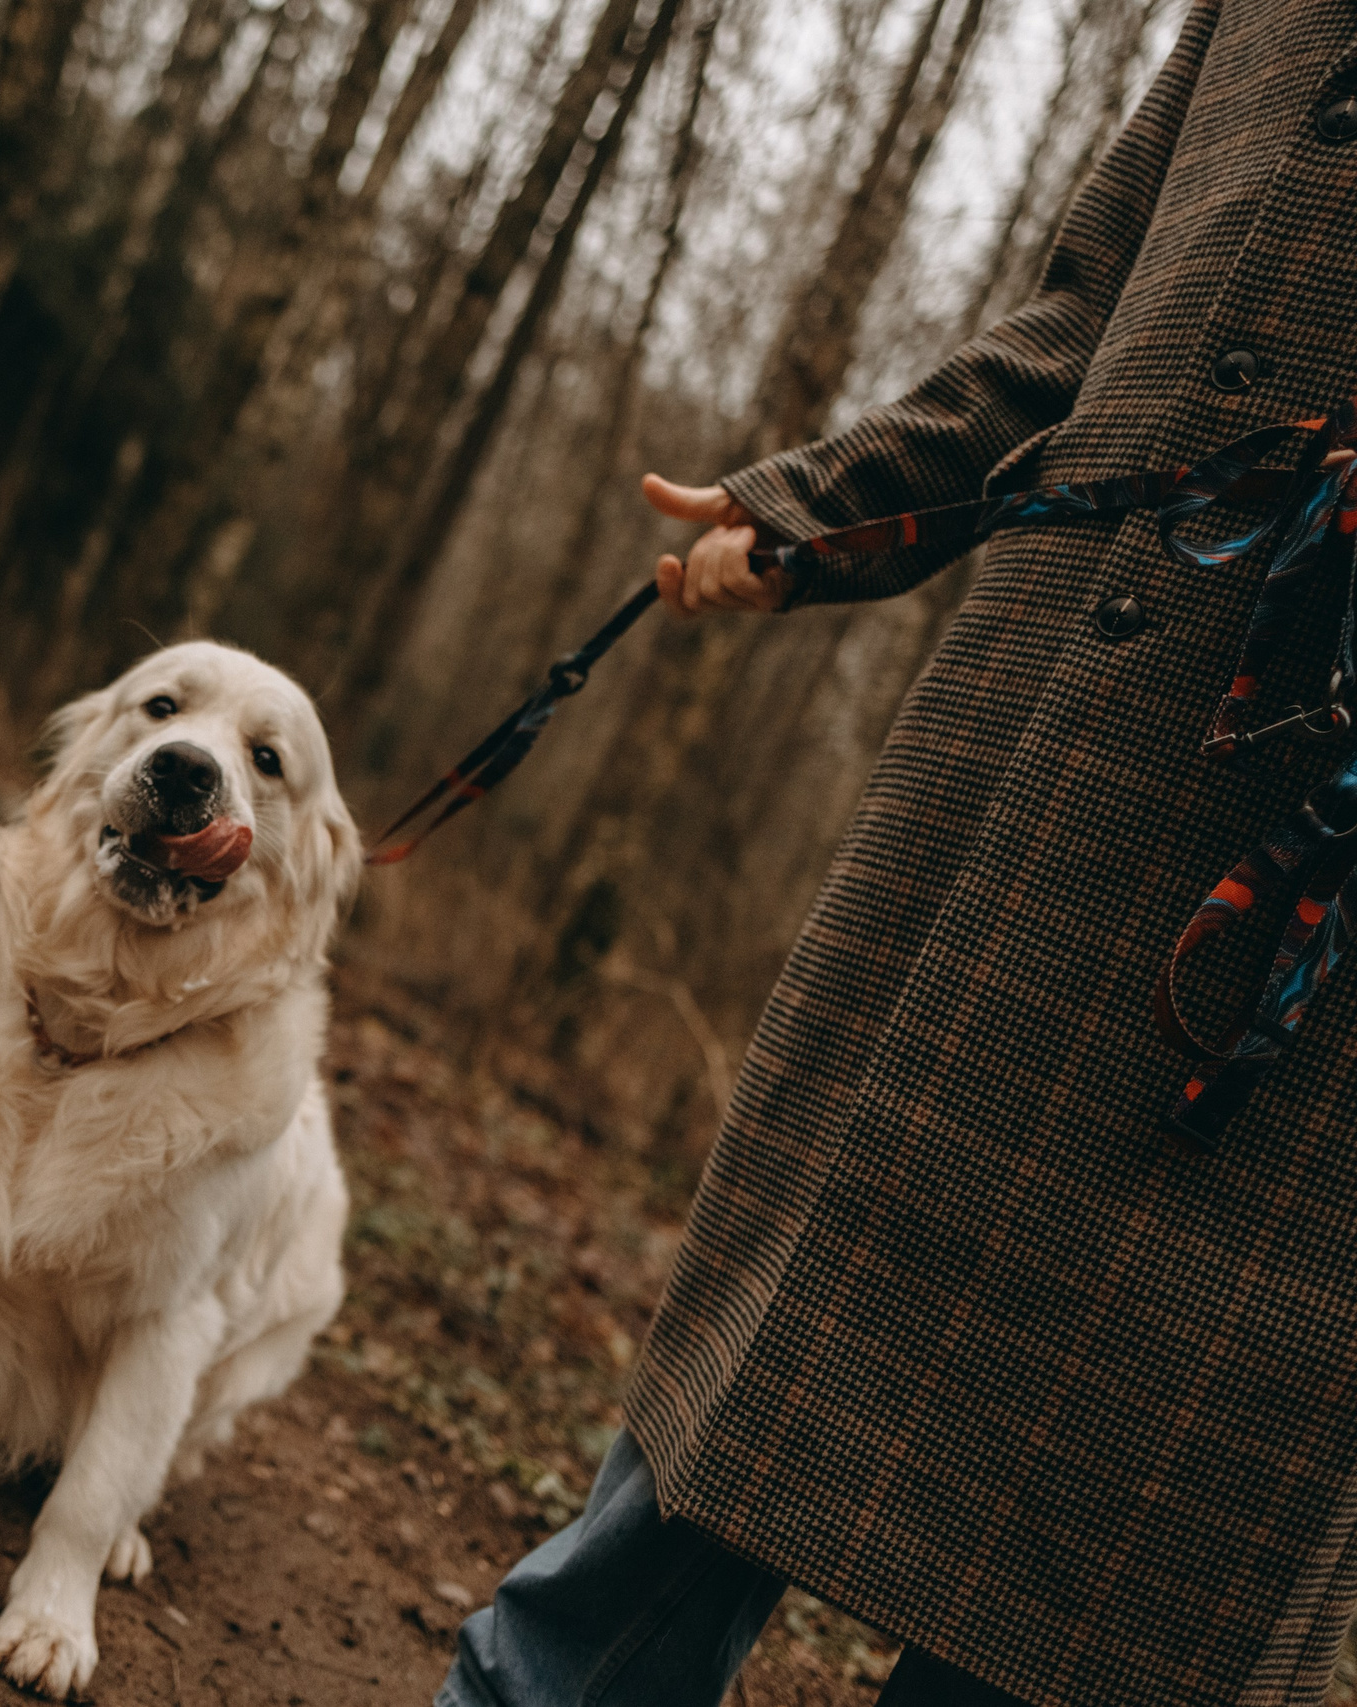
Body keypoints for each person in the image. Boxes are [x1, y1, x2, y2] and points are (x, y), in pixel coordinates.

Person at [441, 5, 1357, 1706]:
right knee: (760, 1382)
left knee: (1108, 1592)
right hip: (1022, 803)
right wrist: (817, 513)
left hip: (1302, 984)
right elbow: (1082, 331)